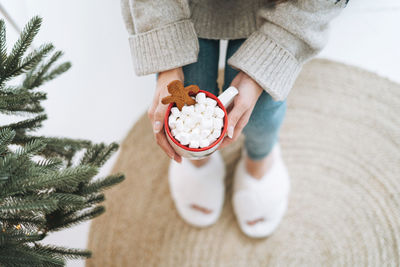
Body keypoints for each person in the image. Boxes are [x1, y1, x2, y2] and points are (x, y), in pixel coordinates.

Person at [120, 0, 346, 238]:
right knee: (189, 87)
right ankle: (198, 158)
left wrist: (271, 55)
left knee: (260, 112)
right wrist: (167, 57)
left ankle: (260, 158)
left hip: (277, 6)